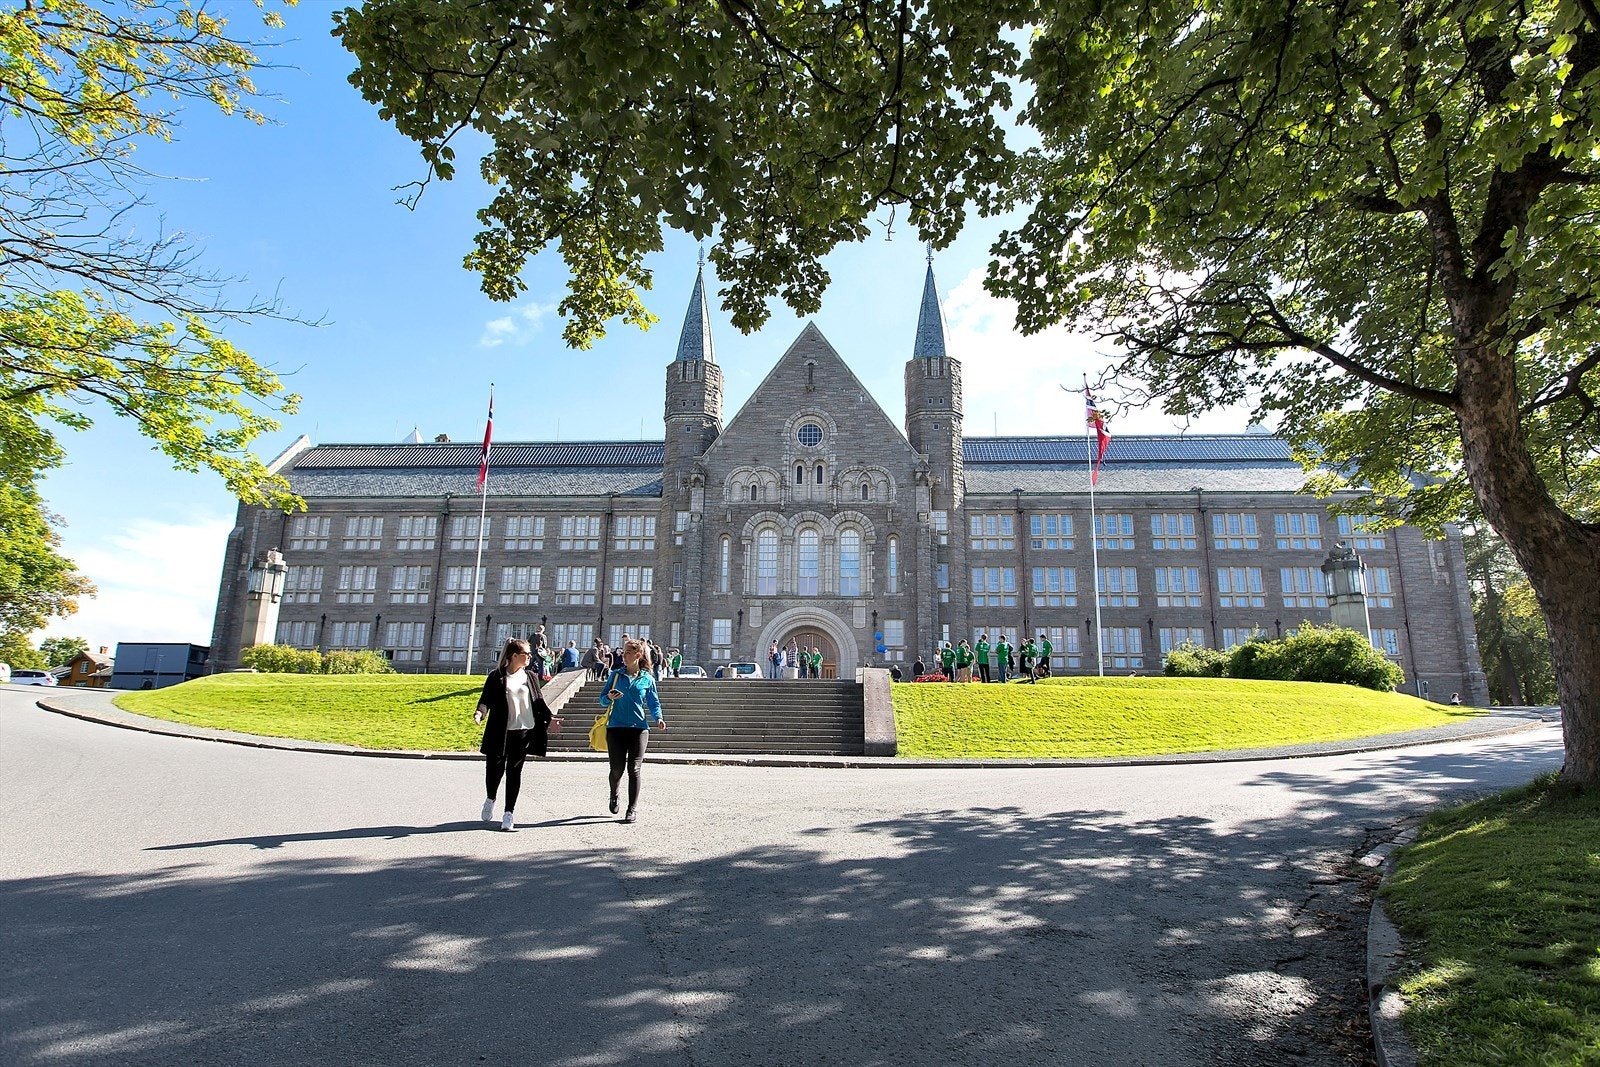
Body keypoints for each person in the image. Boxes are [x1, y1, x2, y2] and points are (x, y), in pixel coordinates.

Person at [473, 638, 556, 832]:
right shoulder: (497, 677)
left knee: (514, 772)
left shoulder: (531, 677)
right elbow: (486, 700)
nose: (530, 657)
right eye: (526, 654)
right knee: (494, 771)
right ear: (514, 656)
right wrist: (479, 713)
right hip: (500, 731)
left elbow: (539, 703)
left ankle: (509, 813)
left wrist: (551, 719)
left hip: (523, 731)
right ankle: (490, 798)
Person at [599, 638, 667, 823]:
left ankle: (632, 809)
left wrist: (658, 718)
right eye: (623, 652)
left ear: (637, 656)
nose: (624, 656)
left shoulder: (647, 679)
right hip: (616, 728)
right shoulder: (615, 675)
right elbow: (602, 699)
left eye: (628, 653)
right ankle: (614, 793)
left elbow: (653, 702)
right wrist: (610, 697)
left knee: (634, 769)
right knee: (616, 770)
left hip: (639, 729)